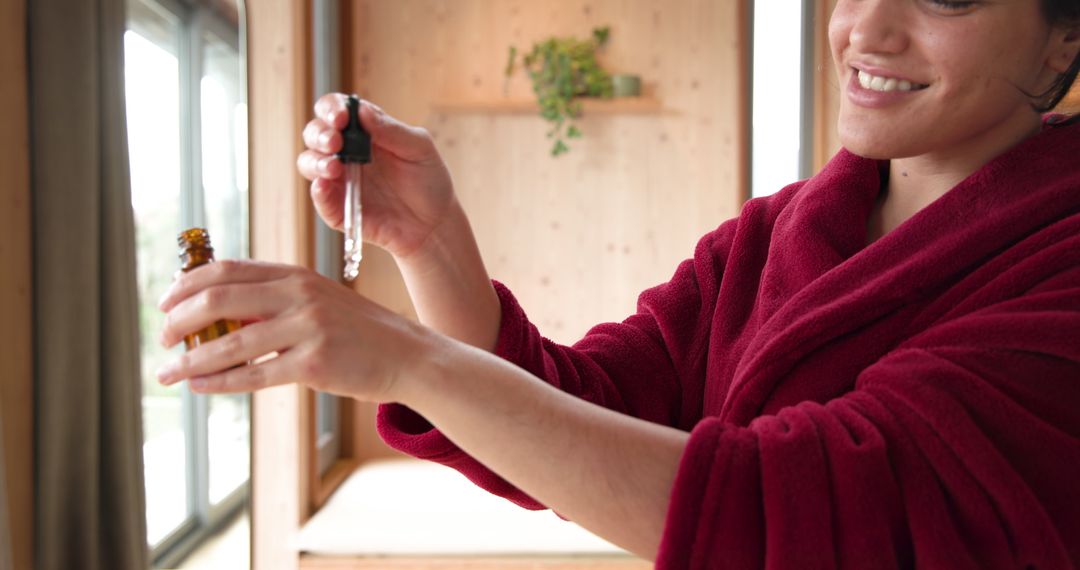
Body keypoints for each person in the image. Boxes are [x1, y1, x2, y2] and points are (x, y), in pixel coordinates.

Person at [156, 0, 1080, 567]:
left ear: (1058, 45)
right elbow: (583, 413)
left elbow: (810, 513)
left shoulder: (1060, 269)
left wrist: (411, 362)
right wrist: (432, 242)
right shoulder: (768, 236)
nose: (864, 28)